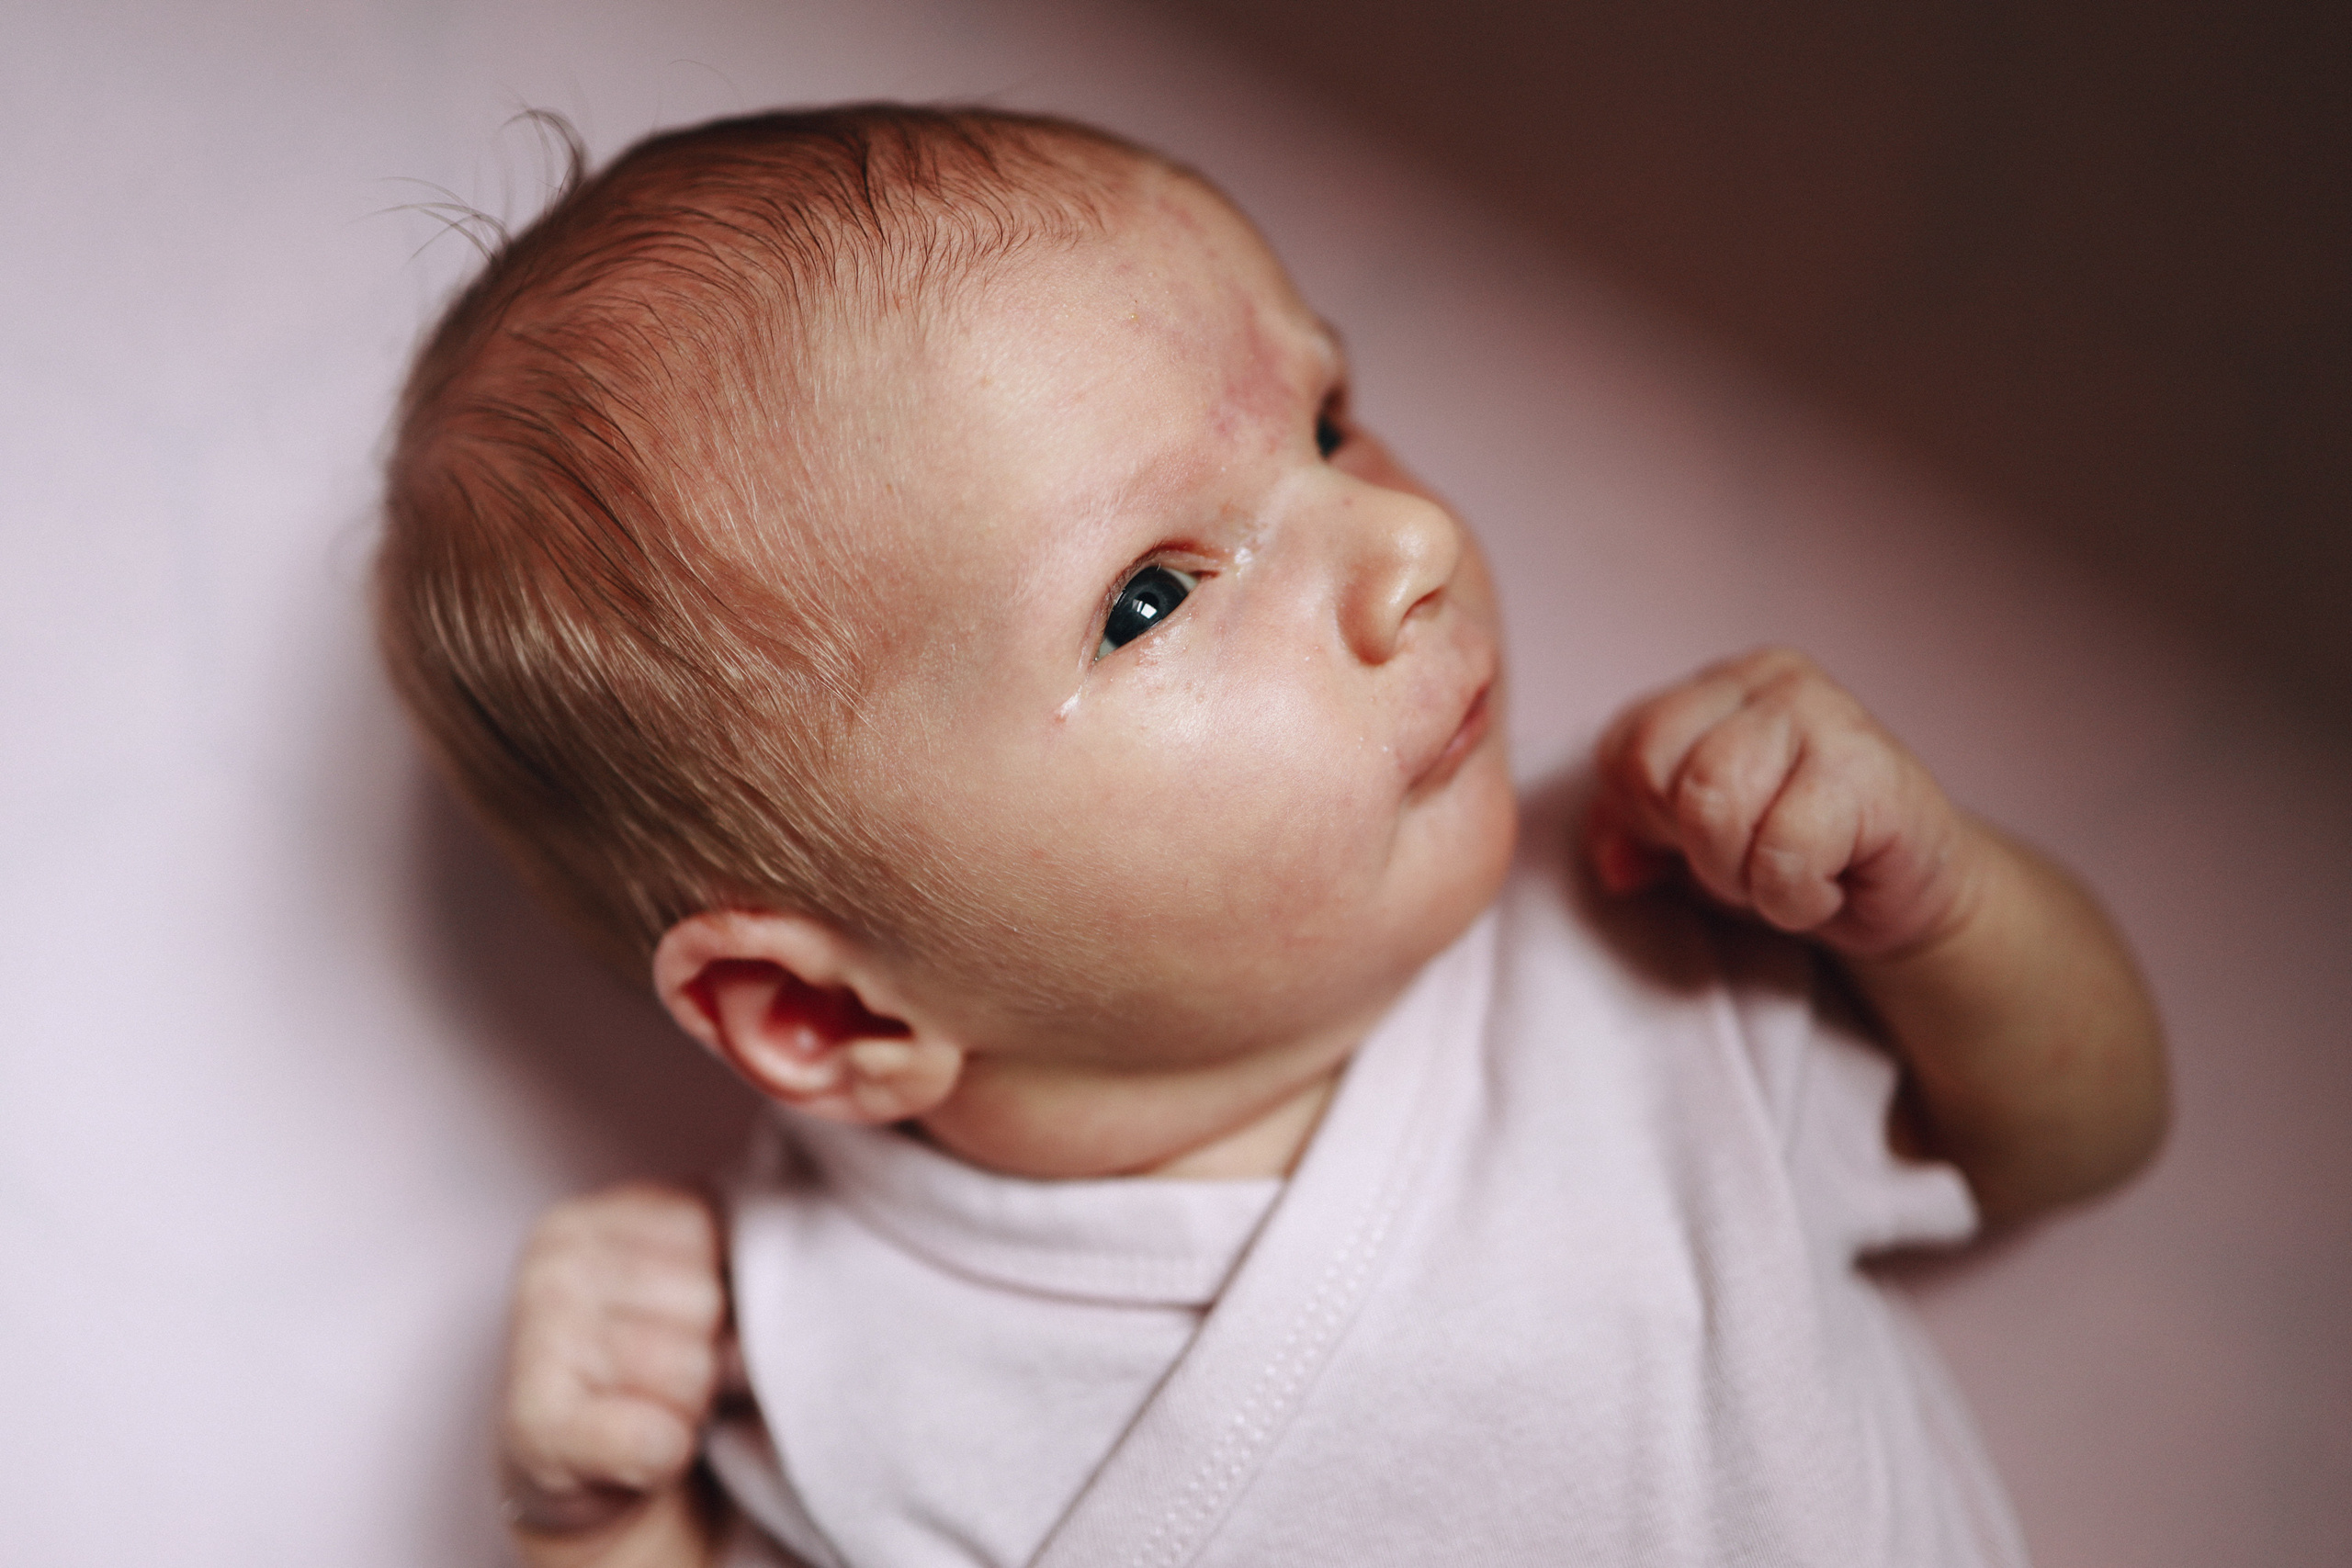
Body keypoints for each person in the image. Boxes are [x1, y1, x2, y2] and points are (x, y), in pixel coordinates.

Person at [377, 105, 2167, 1568]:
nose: (1407, 548)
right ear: (826, 1016)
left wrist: (1930, 903)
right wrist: (600, 1519)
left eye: (1327, 420)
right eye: (1151, 595)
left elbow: (2073, 1131)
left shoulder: (1633, 918)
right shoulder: (835, 1350)